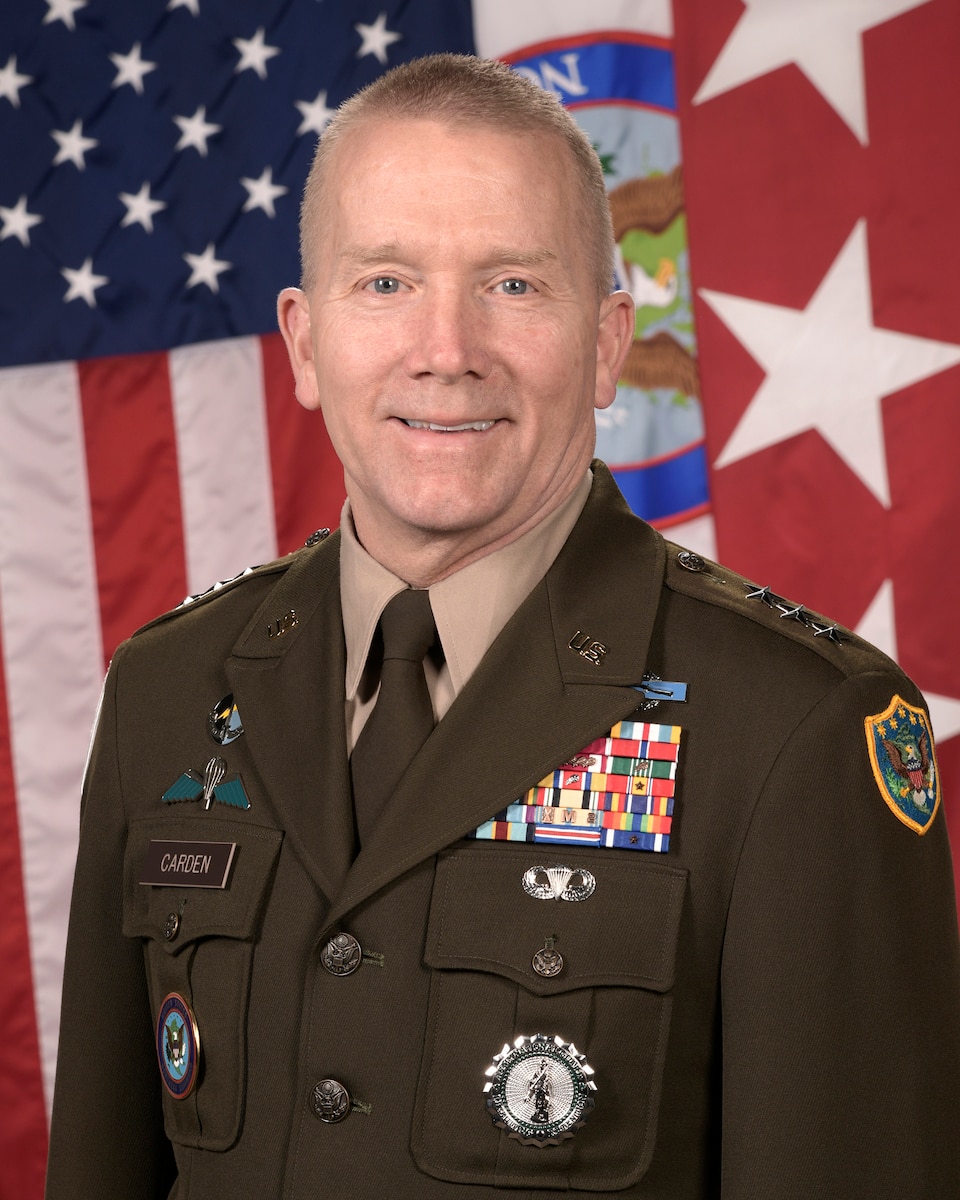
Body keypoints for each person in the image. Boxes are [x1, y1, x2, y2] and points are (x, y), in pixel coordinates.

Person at [45, 53, 960, 1200]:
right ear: (306, 344)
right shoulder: (165, 693)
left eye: (513, 285)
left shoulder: (795, 730)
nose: (447, 348)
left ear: (611, 343)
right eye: (384, 283)